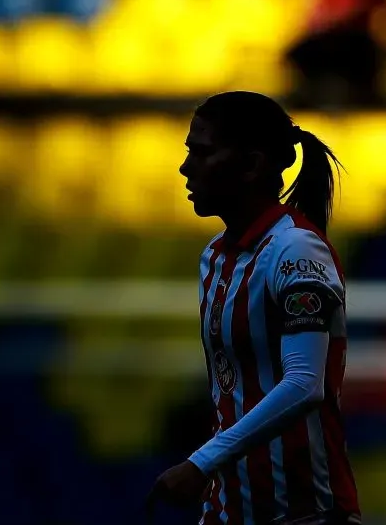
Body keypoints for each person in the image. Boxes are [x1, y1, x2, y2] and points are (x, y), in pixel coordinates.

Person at [147, 92, 361, 525]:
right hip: (231, 512)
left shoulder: (295, 250)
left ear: (252, 165)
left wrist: (200, 463)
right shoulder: (215, 258)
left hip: (307, 514)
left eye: (202, 152)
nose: (186, 167)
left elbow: (304, 383)